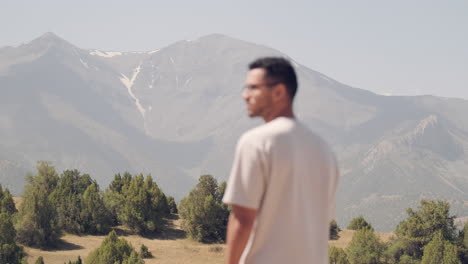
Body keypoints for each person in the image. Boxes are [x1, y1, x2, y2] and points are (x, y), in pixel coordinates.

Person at [222, 57, 339, 264]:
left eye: (252, 88)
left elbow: (242, 219)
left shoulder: (256, 142)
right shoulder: (324, 150)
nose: (245, 95)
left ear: (278, 92)